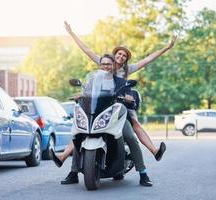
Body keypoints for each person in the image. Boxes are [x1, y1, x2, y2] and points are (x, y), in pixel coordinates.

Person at [63, 21, 176, 160]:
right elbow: (86, 50)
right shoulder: (104, 62)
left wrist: (167, 47)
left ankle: (154, 150)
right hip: (101, 102)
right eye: (119, 54)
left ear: (126, 60)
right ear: (114, 54)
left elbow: (148, 59)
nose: (121, 56)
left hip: (120, 102)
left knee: (134, 122)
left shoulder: (128, 69)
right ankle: (64, 156)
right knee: (83, 126)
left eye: (124, 56)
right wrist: (71, 33)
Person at [58, 54, 152, 186]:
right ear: (99, 66)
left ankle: (143, 173)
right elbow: (87, 95)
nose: (106, 67)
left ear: (113, 65)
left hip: (116, 115)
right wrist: (81, 97)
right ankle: (73, 173)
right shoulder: (93, 81)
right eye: (103, 64)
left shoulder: (120, 81)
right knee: (80, 136)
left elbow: (130, 99)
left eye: (109, 64)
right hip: (96, 115)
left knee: (130, 137)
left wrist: (129, 99)